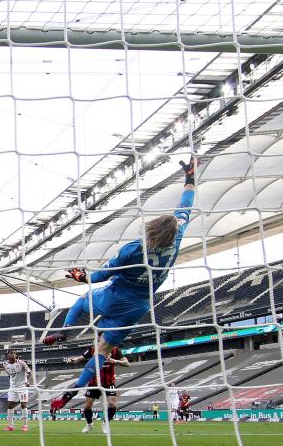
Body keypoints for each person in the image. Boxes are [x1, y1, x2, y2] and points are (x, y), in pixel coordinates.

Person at [46, 159, 197, 412]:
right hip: (138, 307)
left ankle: (65, 330)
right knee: (102, 351)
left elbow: (99, 277)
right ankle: (69, 394)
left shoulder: (134, 249)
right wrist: (190, 177)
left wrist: (78, 275)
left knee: (83, 300)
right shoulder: (177, 236)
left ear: (151, 229)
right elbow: (186, 205)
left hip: (116, 295)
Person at [64, 346, 128, 434]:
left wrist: (116, 361)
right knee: (87, 406)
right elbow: (80, 358)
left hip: (109, 383)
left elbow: (127, 363)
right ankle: (89, 424)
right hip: (94, 382)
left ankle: (105, 423)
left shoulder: (115, 350)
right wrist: (72, 360)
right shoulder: (92, 349)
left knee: (112, 404)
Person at [1, 349, 33, 432]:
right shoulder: (6, 365)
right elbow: (11, 375)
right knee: (10, 406)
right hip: (12, 388)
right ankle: (10, 426)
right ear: (8, 355)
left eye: (15, 353)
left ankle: (25, 425)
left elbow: (30, 372)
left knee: (23, 405)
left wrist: (28, 381)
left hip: (22, 387)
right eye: (11, 353)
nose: (13, 355)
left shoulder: (21, 363)